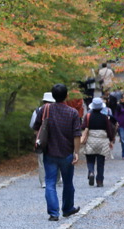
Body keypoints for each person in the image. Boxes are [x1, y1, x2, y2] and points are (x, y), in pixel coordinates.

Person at [33, 83, 82, 221]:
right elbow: (76, 135)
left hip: (49, 152)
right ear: (66, 96)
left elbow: (37, 127)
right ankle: (67, 209)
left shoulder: (45, 109)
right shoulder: (72, 112)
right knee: (67, 182)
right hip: (67, 153)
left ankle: (54, 213)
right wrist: (76, 152)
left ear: (52, 96)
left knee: (50, 182)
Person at [81, 97, 115, 187]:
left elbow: (83, 126)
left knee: (90, 159)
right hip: (102, 141)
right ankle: (100, 181)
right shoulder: (104, 117)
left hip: (91, 139)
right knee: (100, 162)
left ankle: (91, 172)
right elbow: (109, 130)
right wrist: (111, 140)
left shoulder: (88, 116)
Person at [29, 92, 59, 189]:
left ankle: (43, 182)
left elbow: (32, 125)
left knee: (41, 160)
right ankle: (56, 179)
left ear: (44, 100)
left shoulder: (37, 111)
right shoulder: (59, 110)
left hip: (41, 138)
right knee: (57, 158)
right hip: (55, 138)